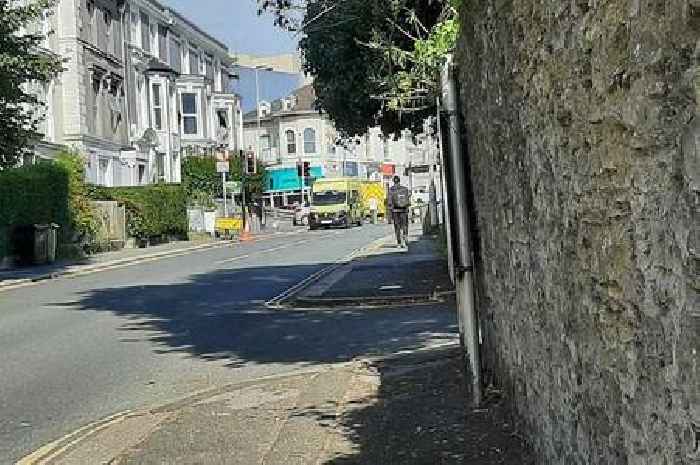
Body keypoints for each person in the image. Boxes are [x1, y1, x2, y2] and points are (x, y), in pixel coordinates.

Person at [388, 176, 410, 248]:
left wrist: (390, 212)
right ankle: (405, 236)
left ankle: (399, 243)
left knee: (397, 226)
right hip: (404, 210)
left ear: (394, 181)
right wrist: (407, 208)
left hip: (395, 211)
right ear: (399, 181)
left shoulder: (391, 190)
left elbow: (390, 202)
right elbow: (408, 201)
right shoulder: (405, 189)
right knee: (405, 225)